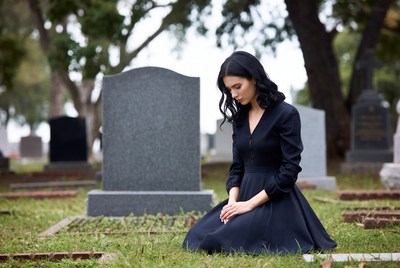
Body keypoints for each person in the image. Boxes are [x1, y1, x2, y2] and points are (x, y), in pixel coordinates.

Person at [182, 51, 336, 255]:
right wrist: (233, 204)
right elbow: (237, 167)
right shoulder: (239, 119)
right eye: (229, 90)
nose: (234, 95)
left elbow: (289, 170)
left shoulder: (286, 114)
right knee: (197, 236)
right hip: (243, 193)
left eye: (238, 87)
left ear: (254, 78)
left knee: (220, 240)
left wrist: (249, 205)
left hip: (275, 196)